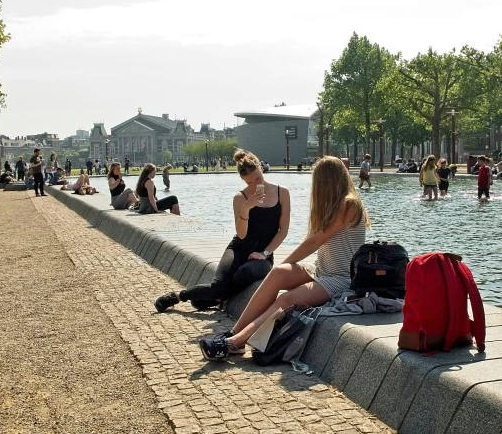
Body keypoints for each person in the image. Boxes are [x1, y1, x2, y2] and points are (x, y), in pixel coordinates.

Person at [199, 156, 370, 360]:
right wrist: (284, 266)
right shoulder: (335, 205)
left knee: (286, 299)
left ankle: (235, 343)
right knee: (278, 273)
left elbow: (314, 242)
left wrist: (286, 260)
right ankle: (233, 332)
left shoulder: (348, 204)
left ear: (326, 182)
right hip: (323, 270)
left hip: (341, 278)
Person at [154, 149, 290, 313]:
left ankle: (217, 297)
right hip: (238, 248)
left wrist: (266, 252)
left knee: (244, 273)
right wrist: (246, 209)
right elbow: (241, 235)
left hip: (263, 255)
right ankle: (178, 296)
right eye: (249, 183)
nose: (254, 186)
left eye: (257, 179)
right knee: (217, 285)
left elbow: (283, 229)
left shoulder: (282, 192)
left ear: (261, 168)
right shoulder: (240, 198)